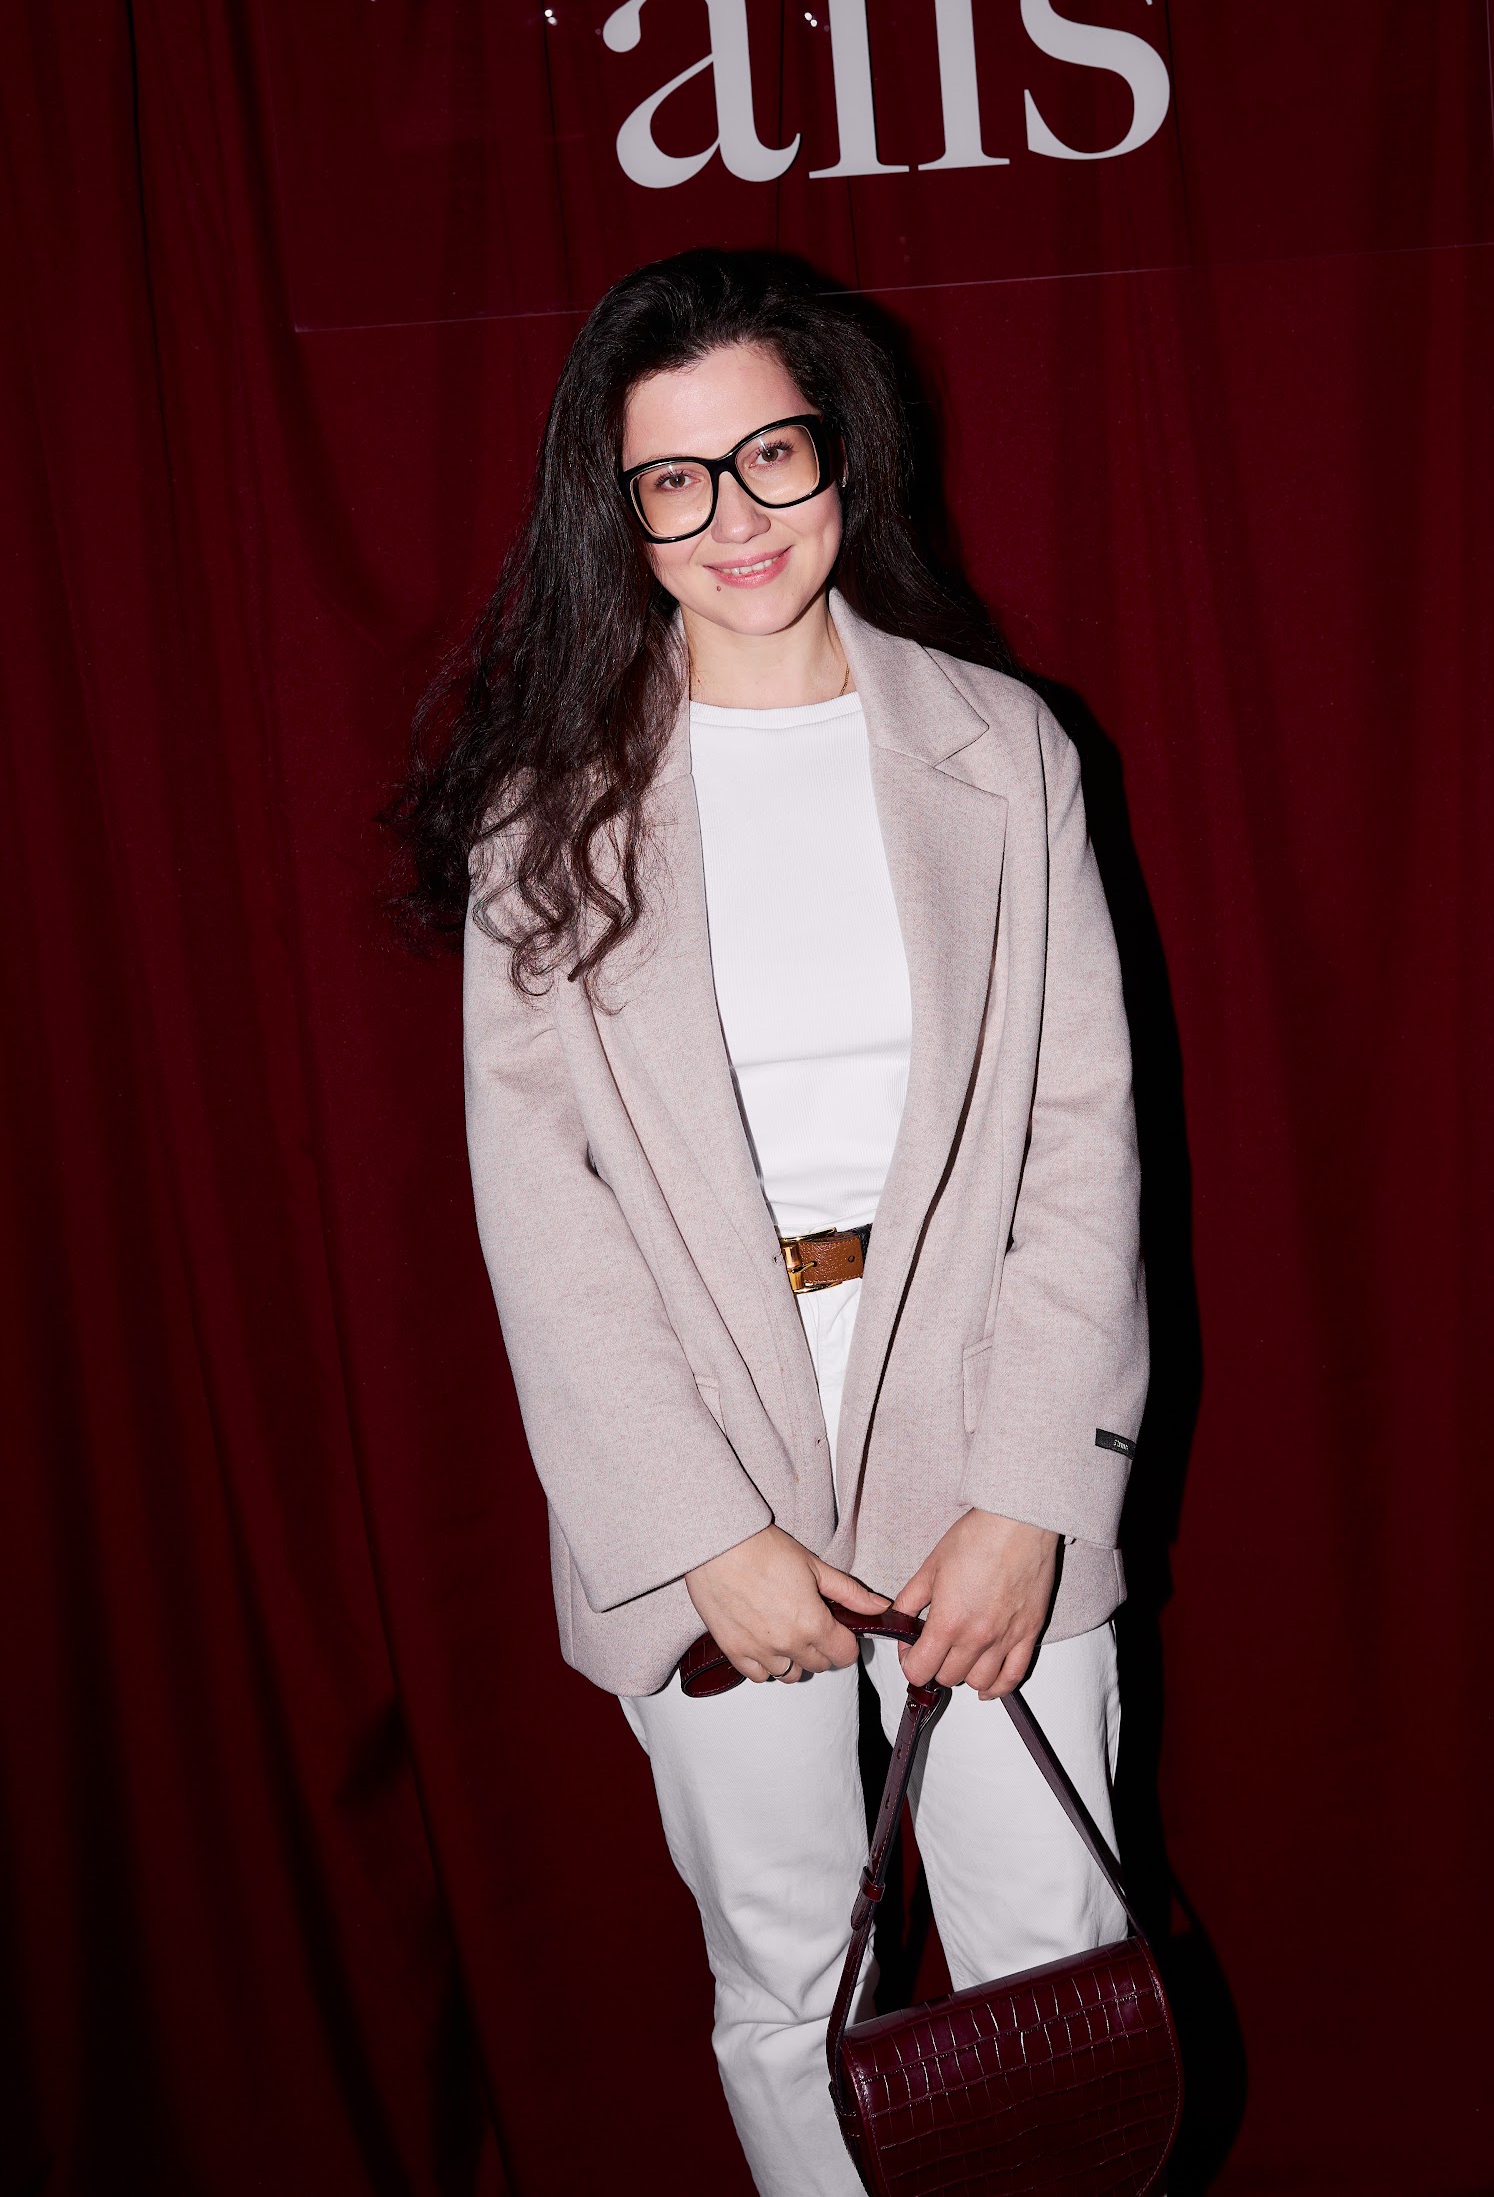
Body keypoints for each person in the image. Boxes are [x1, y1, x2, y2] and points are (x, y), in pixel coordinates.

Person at [393, 249, 1149, 2197]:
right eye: (676, 480)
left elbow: (1082, 1136)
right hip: (705, 1450)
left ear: (842, 455)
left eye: (772, 455)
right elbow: (541, 1216)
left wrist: (1032, 1491)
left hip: (984, 1406)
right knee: (789, 1977)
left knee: (1050, 1944)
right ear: (620, 514)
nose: (735, 516)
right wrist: (697, 1535)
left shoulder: (1003, 747)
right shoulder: (548, 810)